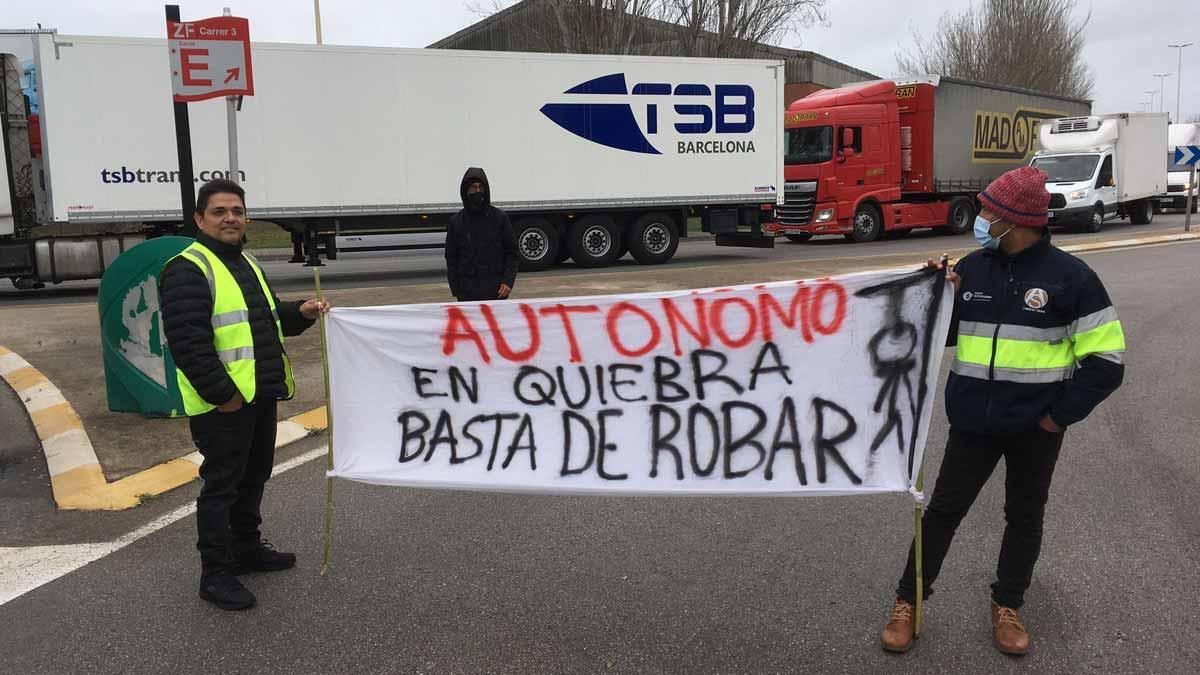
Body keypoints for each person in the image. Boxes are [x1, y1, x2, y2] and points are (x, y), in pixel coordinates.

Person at [880, 167, 1126, 655]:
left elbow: (1107, 362)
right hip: (973, 423)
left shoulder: (1072, 279)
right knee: (942, 513)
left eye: (990, 210)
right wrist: (932, 294)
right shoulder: (971, 269)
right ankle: (909, 601)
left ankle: (1008, 604)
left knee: (1024, 516)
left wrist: (1056, 417)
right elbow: (935, 338)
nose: (983, 217)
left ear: (1017, 221)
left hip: (1037, 428)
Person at [161, 178, 330, 611]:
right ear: (200, 219)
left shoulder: (245, 262)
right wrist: (225, 396)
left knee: (254, 477)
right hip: (225, 404)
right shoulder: (187, 267)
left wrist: (301, 313)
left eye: (236, 210)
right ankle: (215, 573)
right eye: (219, 211)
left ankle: (246, 549)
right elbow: (188, 344)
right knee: (222, 486)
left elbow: (267, 318)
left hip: (260, 394)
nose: (230, 218)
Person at [445, 167, 519, 302]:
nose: (478, 191)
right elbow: (451, 258)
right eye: (473, 187)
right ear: (466, 191)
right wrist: (455, 288)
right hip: (467, 294)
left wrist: (508, 282)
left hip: (496, 291)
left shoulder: (500, 218)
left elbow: (512, 253)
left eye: (481, 187)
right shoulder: (456, 222)